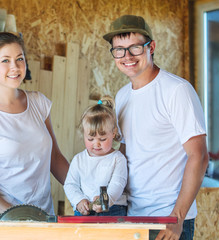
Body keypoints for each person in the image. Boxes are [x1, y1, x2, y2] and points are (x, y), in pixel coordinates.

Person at [102, 15, 209, 240]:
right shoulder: (122, 96)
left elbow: (199, 156)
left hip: (167, 220)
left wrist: (176, 219)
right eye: (119, 50)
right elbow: (123, 154)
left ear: (151, 47)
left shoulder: (176, 90)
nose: (127, 56)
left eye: (135, 48)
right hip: (132, 216)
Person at [0, 32, 69, 220]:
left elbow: (55, 158)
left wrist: (83, 191)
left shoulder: (38, 103)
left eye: (20, 59)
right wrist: (14, 214)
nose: (15, 67)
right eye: (5, 60)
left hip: (42, 215)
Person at [64, 96, 127, 216]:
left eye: (102, 139)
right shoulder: (79, 160)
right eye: (90, 139)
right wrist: (79, 200)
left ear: (113, 133)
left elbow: (117, 184)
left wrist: (106, 200)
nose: (96, 144)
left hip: (113, 210)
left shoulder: (118, 159)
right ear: (84, 134)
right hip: (85, 210)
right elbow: (70, 184)